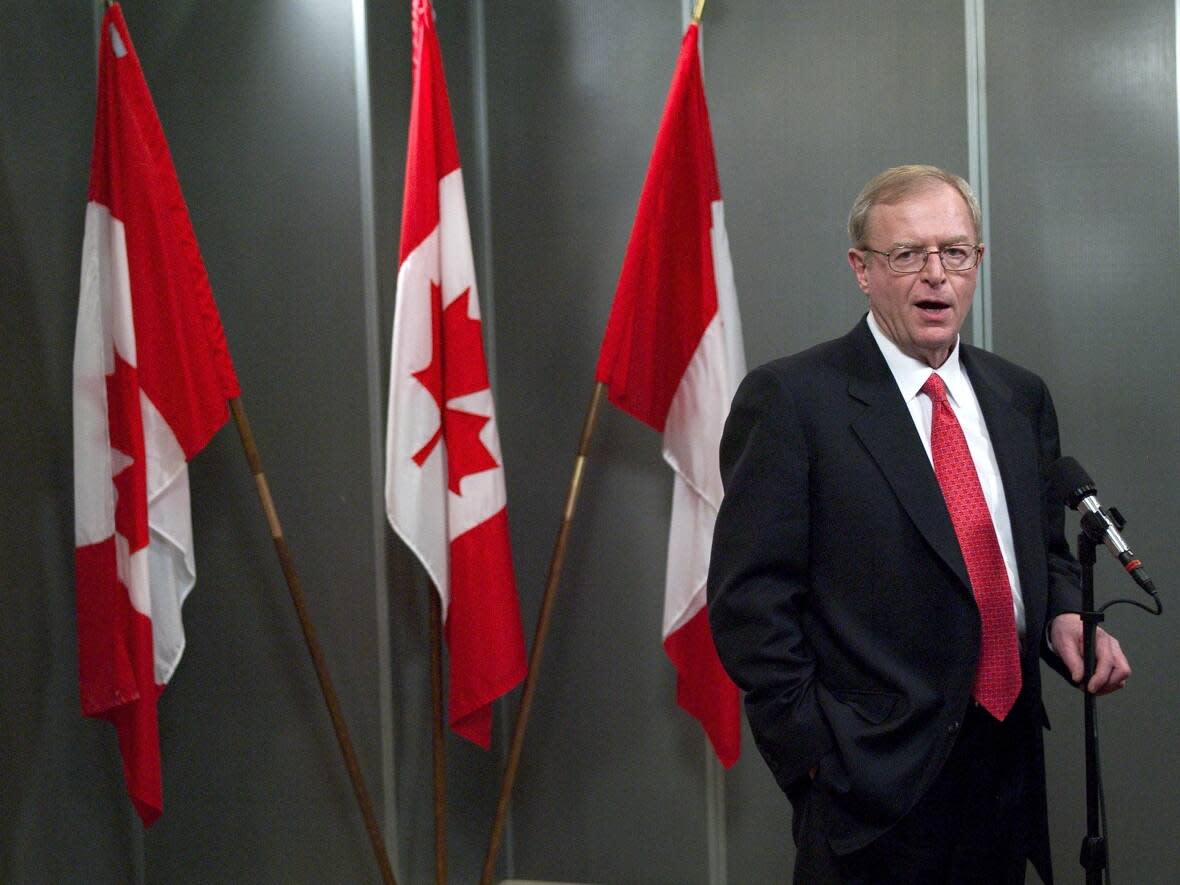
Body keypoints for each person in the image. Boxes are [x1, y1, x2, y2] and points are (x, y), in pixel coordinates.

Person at [706, 165, 1131, 884]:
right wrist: (816, 752)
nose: (935, 275)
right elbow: (749, 601)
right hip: (868, 779)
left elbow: (1044, 549)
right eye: (907, 255)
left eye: (955, 252)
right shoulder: (793, 400)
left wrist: (1063, 612)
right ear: (863, 270)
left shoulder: (1018, 396)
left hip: (1004, 767)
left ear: (977, 263)